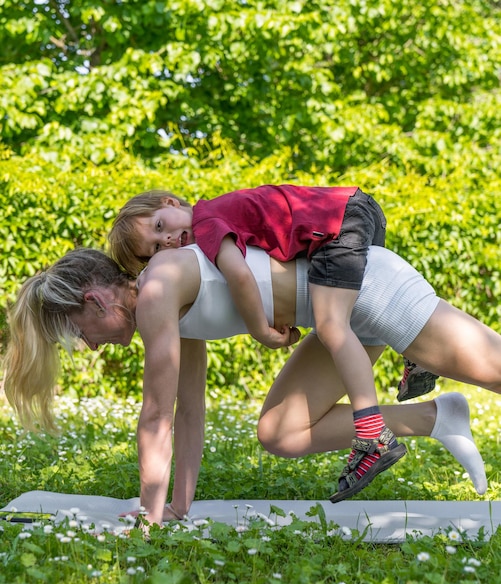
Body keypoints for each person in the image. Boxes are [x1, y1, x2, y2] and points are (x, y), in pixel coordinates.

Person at [4, 242, 496, 527]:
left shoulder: (155, 292)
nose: (89, 347)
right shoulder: (169, 301)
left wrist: (146, 520)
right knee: (280, 432)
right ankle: (437, 417)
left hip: (366, 287)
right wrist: (174, 507)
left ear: (95, 302)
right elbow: (187, 410)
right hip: (339, 314)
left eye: (77, 332)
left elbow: (155, 417)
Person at [108, 187, 438, 502]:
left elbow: (239, 275)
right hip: (353, 211)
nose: (165, 240)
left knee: (331, 324)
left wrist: (261, 331)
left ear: (171, 202)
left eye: (160, 226)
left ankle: (371, 433)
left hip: (339, 218)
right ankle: (414, 354)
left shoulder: (207, 222)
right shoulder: (213, 221)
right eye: (154, 248)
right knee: (350, 308)